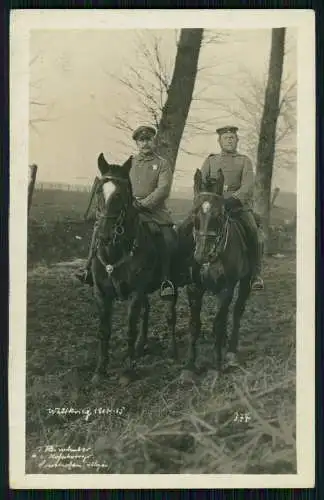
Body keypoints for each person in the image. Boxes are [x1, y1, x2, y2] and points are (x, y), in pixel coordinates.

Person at [77, 125, 177, 299]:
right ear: (137, 143)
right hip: (128, 210)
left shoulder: (162, 164)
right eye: (141, 140)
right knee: (99, 229)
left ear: (154, 141)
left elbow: (163, 190)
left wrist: (143, 204)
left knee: (167, 238)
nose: (145, 143)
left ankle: (166, 281)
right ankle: (87, 270)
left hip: (154, 212)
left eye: (149, 140)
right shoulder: (130, 164)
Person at [199, 125, 264, 291]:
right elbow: (202, 183)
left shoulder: (244, 161)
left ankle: (255, 274)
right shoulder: (211, 161)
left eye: (232, 137)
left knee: (254, 233)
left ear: (237, 140)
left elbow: (248, 185)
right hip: (214, 207)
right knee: (192, 227)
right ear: (219, 141)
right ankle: (190, 268)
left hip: (237, 207)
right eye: (226, 138)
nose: (229, 140)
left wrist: (234, 199)